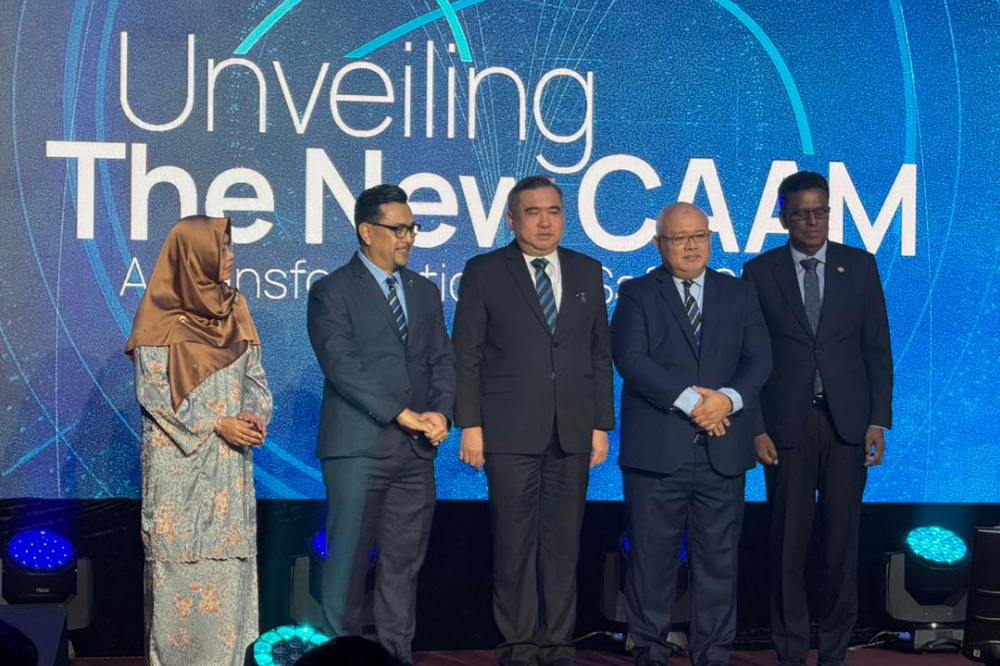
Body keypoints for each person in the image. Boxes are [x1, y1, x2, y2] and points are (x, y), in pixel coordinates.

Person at [452, 175, 615, 666]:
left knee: (564, 544)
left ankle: (558, 644)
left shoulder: (587, 270)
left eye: (554, 211)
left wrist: (600, 424)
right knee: (514, 542)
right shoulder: (484, 271)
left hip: (573, 430)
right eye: (533, 212)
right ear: (511, 219)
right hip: (506, 430)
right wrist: (470, 424)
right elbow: (467, 354)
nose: (545, 222)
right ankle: (519, 645)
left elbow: (599, 354)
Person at [742, 171, 893, 666]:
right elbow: (752, 357)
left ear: (830, 212)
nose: (811, 220)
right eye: (801, 211)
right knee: (788, 542)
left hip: (847, 424)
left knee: (841, 543)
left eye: (820, 210)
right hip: (785, 426)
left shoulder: (860, 266)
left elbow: (877, 350)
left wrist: (878, 420)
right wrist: (756, 426)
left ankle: (833, 651)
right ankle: (789, 650)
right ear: (782, 215)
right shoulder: (759, 272)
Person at [612, 203, 772, 666]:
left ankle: (714, 654)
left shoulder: (739, 293)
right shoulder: (637, 293)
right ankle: (649, 652)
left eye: (699, 236)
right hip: (657, 453)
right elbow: (632, 360)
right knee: (651, 564)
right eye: (679, 238)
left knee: (719, 564)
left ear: (710, 238)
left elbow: (759, 360)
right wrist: (694, 403)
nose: (691, 246)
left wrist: (726, 399)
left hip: (724, 452)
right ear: (658, 244)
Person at [307, 184, 455, 666]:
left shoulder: (424, 290)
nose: (409, 237)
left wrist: (441, 413)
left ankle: (397, 657)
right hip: (358, 449)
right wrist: (399, 412)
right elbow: (341, 363)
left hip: (416, 455)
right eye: (399, 228)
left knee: (402, 568)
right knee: (346, 565)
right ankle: (337, 658)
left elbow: (442, 361)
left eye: (412, 228)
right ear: (367, 231)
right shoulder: (331, 290)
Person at [126, 215, 272, 666]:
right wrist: (217, 424)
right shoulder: (160, 314)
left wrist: (252, 414)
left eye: (229, 248)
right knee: (178, 590)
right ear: (195, 256)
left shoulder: (237, 307)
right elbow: (154, 393)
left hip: (229, 477)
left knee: (230, 585)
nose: (231, 257)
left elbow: (258, 381)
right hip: (179, 474)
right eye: (223, 249)